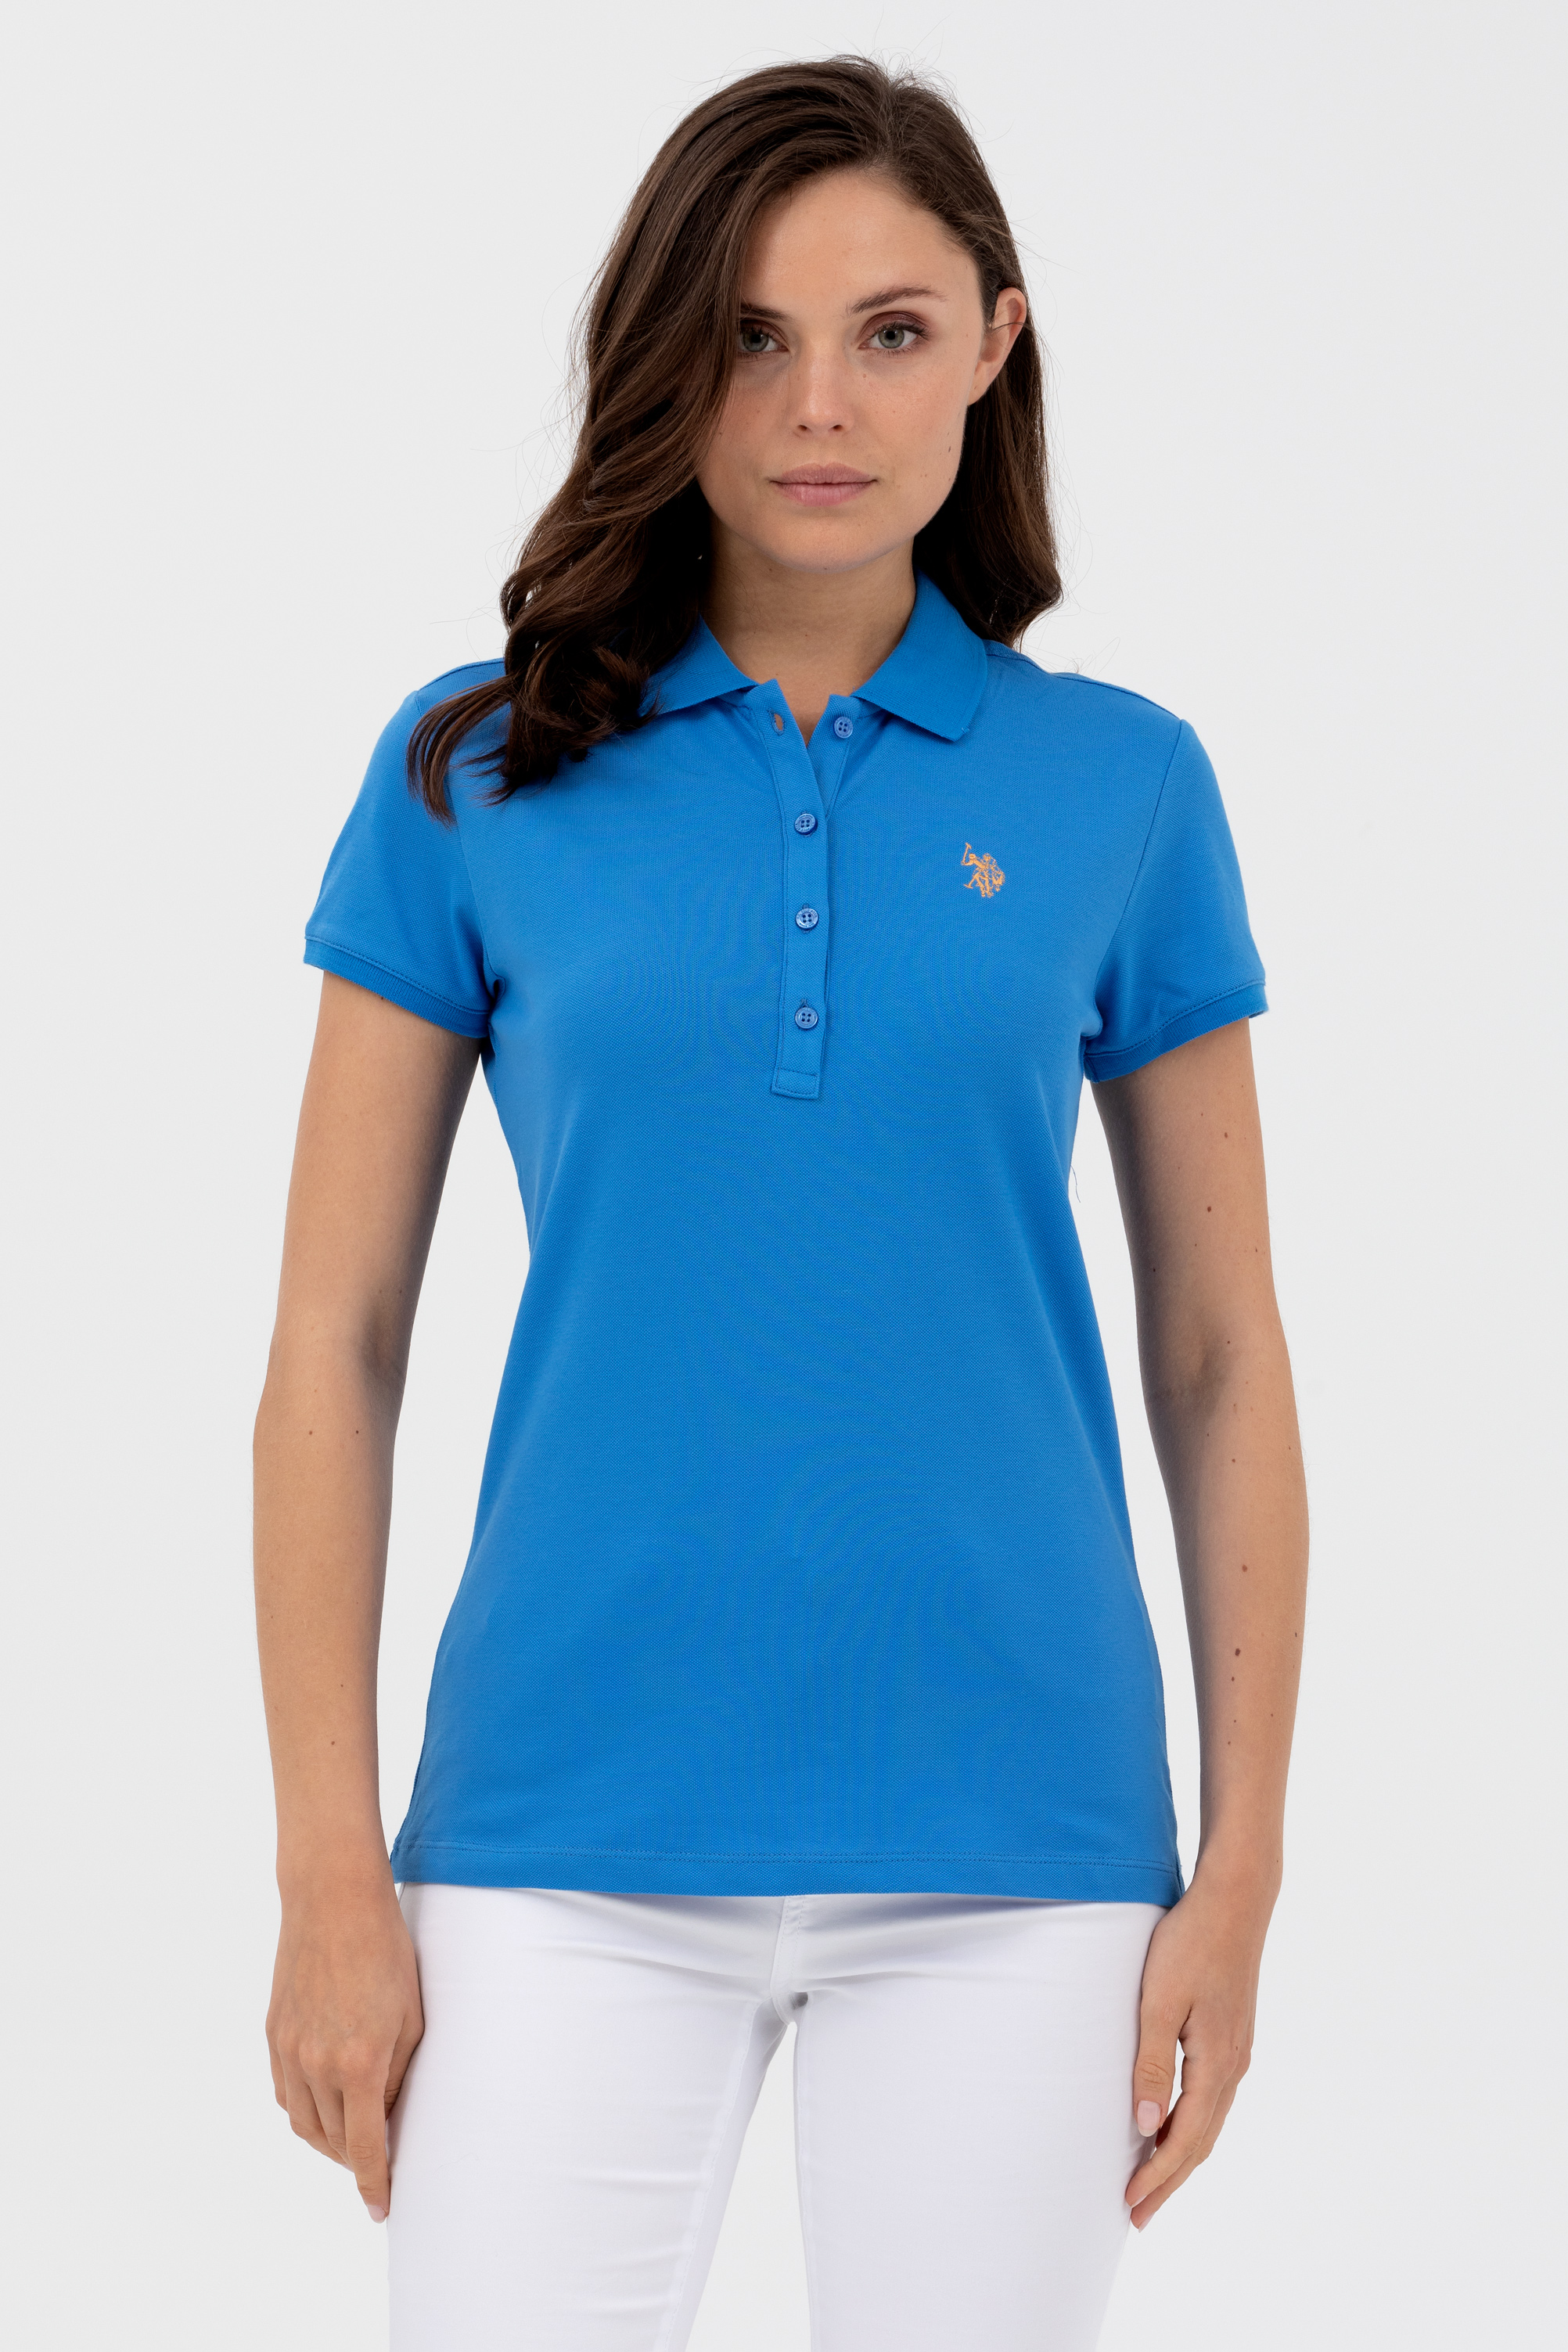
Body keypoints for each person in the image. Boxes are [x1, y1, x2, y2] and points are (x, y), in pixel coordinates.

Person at [254, 54, 1308, 2352]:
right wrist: (330, 1860)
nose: (820, 403)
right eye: (750, 335)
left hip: (1020, 1845)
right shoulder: (475, 771)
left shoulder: (1124, 787)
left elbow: (1221, 1356)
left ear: (994, 346)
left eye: (889, 331)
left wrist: (1239, 1870)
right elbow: (336, 1341)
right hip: (554, 1829)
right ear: (665, 357)